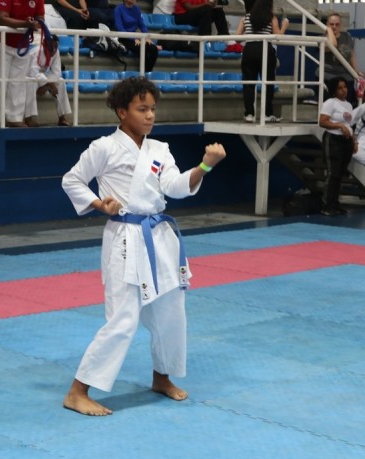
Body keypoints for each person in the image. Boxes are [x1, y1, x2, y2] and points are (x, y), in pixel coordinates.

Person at [61, 77, 226, 416]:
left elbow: (175, 186)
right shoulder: (104, 147)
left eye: (152, 109)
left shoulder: (159, 149)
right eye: (141, 109)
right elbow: (72, 180)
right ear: (122, 112)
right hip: (125, 236)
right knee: (122, 319)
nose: (150, 115)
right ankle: (78, 391)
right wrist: (98, 203)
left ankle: (161, 377)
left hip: (159, 237)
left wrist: (205, 166)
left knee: (170, 311)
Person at [0, 0, 44, 128]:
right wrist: (25, 24)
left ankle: (15, 117)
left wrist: (36, 23)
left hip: (22, 43)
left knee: (18, 82)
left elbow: (41, 18)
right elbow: (1, 18)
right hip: (0, 42)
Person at [237, 0, 288, 122]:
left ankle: (249, 114)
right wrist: (284, 26)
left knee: (249, 83)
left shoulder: (246, 18)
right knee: (268, 83)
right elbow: (278, 37)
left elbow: (237, 38)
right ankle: (267, 114)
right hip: (266, 50)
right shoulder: (271, 18)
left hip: (249, 50)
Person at [22, 23, 72, 126]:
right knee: (31, 83)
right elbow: (32, 72)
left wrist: (48, 84)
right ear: (45, 44)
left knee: (61, 81)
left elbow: (56, 72)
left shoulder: (56, 52)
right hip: (28, 76)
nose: (54, 49)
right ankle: (28, 118)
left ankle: (62, 117)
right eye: (51, 47)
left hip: (42, 77)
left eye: (56, 47)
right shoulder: (36, 51)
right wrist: (47, 84)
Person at [319, 77, 354, 216]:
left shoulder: (349, 105)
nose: (343, 90)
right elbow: (322, 121)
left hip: (346, 141)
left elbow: (350, 125)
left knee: (340, 173)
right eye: (340, 88)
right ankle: (326, 204)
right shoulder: (330, 103)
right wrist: (339, 126)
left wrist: (354, 140)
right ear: (334, 90)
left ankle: (335, 203)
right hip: (333, 140)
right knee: (333, 173)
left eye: (345, 87)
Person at [323, 13, 361, 108]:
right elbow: (332, 45)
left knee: (347, 106)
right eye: (331, 24)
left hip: (346, 78)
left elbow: (351, 54)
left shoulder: (347, 37)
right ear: (327, 25)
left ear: (341, 25)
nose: (334, 27)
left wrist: (356, 72)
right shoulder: (322, 39)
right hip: (329, 78)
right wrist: (329, 31)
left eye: (337, 24)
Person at [114, 0, 161, 73]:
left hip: (135, 36)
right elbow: (120, 28)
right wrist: (134, 39)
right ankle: (143, 73)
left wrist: (146, 37)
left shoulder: (137, 9)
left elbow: (142, 25)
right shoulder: (118, 9)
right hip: (123, 38)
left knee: (154, 49)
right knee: (143, 49)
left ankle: (148, 72)